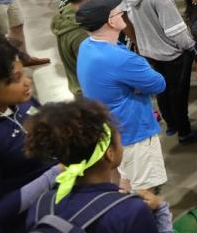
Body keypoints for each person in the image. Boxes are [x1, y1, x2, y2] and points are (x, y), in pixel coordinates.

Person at [75, 0, 173, 232]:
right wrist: (138, 89)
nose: (122, 13)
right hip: (135, 133)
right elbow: (159, 83)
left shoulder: (87, 46)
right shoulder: (122, 59)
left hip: (113, 130)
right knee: (143, 193)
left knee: (125, 181)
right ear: (110, 21)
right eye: (117, 12)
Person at [23, 100, 159, 233]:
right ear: (109, 154)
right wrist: (160, 210)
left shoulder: (42, 205)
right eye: (119, 142)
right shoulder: (131, 210)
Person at [125, 0, 197, 144]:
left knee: (162, 90)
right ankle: (185, 132)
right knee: (178, 94)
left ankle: (172, 124)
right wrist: (190, 47)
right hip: (171, 54)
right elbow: (174, 30)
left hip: (151, 52)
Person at [0, 32, 61, 233]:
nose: (28, 82)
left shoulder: (23, 102)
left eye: (24, 73)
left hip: (60, 202)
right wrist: (53, 175)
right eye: (16, 79)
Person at [50, 0, 100, 97]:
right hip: (93, 94)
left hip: (78, 86)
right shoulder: (83, 33)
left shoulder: (64, 14)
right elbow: (95, 71)